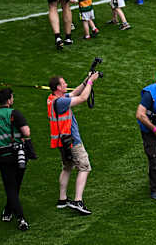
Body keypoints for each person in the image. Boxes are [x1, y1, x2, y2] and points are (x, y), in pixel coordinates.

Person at [47, 72, 101, 215]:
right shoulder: (61, 102)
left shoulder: (53, 99)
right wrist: (91, 83)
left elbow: (75, 92)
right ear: (58, 87)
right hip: (72, 141)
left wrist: (86, 80)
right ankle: (78, 201)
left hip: (61, 142)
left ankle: (62, 200)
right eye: (64, 83)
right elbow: (83, 97)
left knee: (67, 167)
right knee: (84, 167)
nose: (66, 84)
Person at [0, 88, 33, 231]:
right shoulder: (15, 113)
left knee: (11, 187)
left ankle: (8, 210)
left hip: (3, 156)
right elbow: (26, 132)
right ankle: (21, 218)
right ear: (9, 100)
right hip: (19, 154)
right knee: (15, 186)